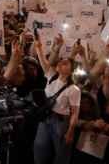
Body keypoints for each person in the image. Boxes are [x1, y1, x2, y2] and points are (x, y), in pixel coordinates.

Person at [33, 35, 81, 164]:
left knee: (61, 153)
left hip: (61, 122)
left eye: (65, 63)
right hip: (46, 118)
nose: (60, 63)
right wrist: (38, 47)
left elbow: (75, 113)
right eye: (61, 62)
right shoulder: (51, 76)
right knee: (40, 148)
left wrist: (70, 131)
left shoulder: (74, 89)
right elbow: (43, 60)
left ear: (71, 71)